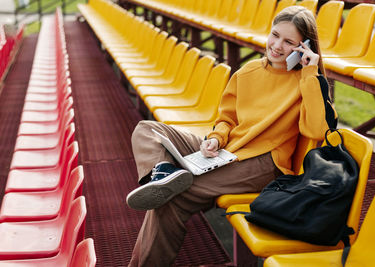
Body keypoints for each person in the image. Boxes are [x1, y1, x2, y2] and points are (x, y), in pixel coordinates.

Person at [126, 6, 335, 267]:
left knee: (172, 199)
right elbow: (227, 118)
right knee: (148, 129)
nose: (277, 46)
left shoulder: (307, 83)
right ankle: (162, 173)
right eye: (275, 35)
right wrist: (216, 137)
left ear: (304, 48)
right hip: (228, 150)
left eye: (289, 42)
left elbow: (318, 130)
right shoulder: (248, 71)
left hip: (262, 163)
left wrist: (309, 73)